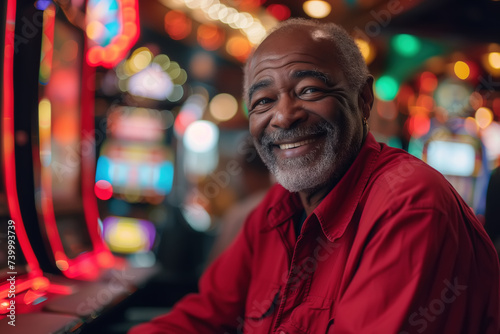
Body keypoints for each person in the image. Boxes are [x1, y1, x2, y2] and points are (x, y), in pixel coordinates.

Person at [129, 18, 500, 333]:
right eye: (264, 101)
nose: (284, 116)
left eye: (309, 90)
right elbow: (204, 318)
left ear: (363, 99)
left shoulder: (410, 202)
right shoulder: (279, 206)